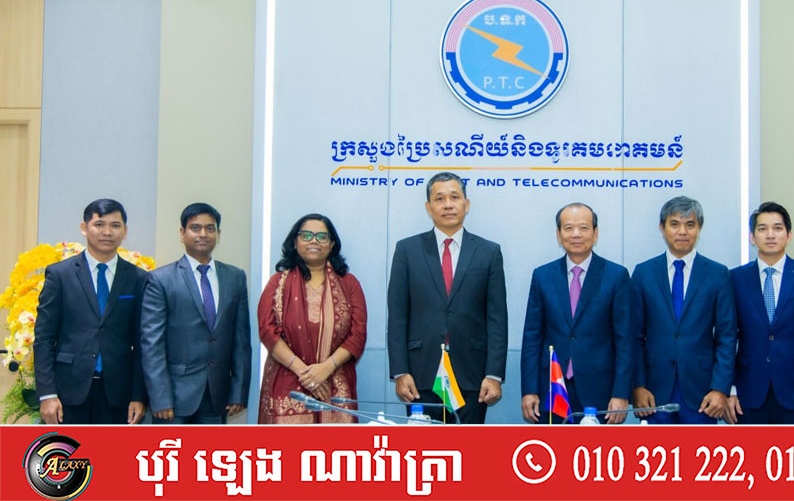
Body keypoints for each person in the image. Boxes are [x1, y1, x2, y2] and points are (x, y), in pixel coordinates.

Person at [387, 172, 508, 424]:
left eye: (455, 197)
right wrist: (400, 371)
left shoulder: (489, 252)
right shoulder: (407, 250)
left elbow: (497, 319)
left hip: (473, 377)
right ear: (428, 207)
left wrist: (494, 374)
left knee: (469, 446)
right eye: (439, 198)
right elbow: (397, 316)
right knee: (423, 447)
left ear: (467, 204)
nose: (448, 204)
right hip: (420, 375)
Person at [33, 199, 147, 424]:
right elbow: (44, 337)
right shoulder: (60, 275)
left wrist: (138, 395)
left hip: (119, 394)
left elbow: (142, 342)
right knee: (70, 448)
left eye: (115, 225)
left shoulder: (138, 278)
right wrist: (47, 394)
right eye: (99, 224)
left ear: (125, 231)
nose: (107, 232)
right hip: (67, 392)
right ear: (84, 228)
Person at [520, 203, 632, 424]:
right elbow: (532, 337)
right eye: (568, 228)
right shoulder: (543, 276)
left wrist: (621, 393)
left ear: (595, 233)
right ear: (558, 234)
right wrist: (529, 390)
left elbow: (625, 340)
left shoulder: (616, 276)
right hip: (552, 388)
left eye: (583, 227)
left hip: (600, 391)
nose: (576, 234)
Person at [140, 203, 251, 424]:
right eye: (195, 228)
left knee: (211, 449)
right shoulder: (161, 279)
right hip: (173, 398)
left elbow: (241, 341)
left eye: (210, 228)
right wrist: (160, 397)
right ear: (182, 233)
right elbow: (152, 344)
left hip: (217, 396)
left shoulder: (235, 277)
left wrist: (238, 391)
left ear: (218, 234)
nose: (203, 234)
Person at [631, 196, 737, 424]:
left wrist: (720, 388)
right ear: (662, 228)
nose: (682, 232)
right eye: (674, 224)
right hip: (654, 391)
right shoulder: (643, 273)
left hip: (703, 393)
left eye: (690, 225)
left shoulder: (718, 274)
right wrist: (638, 385)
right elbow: (634, 336)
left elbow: (727, 337)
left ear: (699, 228)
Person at [727, 202, 794, 424]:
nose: (770, 235)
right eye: (762, 229)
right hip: (747, 393)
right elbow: (726, 337)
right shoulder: (734, 279)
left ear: (789, 234)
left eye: (777, 228)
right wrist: (729, 388)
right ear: (752, 237)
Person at [257, 214, 367, 424]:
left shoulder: (349, 284)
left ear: (331, 244)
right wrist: (305, 373)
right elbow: (267, 331)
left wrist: (326, 368)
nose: (314, 241)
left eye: (322, 236)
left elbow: (358, 334)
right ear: (295, 241)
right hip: (287, 381)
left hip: (335, 382)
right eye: (306, 235)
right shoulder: (277, 283)